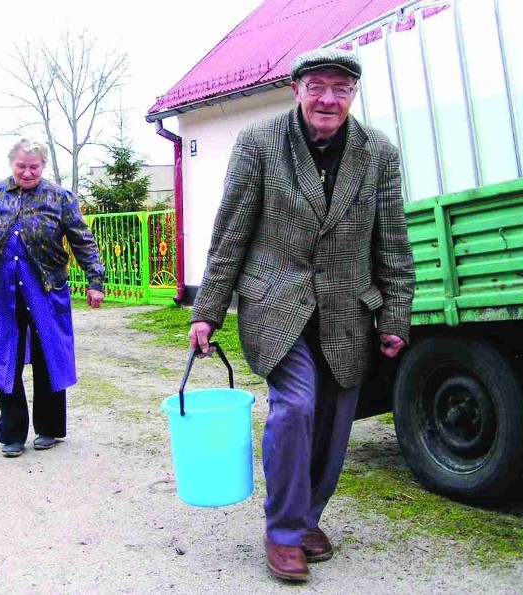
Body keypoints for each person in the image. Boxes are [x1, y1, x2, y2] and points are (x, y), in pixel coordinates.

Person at [188, 48, 415, 582]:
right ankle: (284, 532)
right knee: (295, 408)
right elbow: (231, 234)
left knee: (334, 426)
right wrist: (208, 312)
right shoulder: (260, 144)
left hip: (347, 310)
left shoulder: (378, 152)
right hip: (275, 303)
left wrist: (396, 318)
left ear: (353, 95)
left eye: (340, 89)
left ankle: (308, 516)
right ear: (296, 90)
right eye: (318, 87)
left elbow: (393, 241)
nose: (328, 99)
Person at [0, 138, 105, 458]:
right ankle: (13, 432)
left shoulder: (59, 198)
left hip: (46, 289)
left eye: (34, 167)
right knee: (5, 358)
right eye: (22, 166)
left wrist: (95, 280)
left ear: (43, 165)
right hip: (0, 290)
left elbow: (82, 241)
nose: (28, 173)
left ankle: (48, 428)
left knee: (50, 356)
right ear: (11, 164)